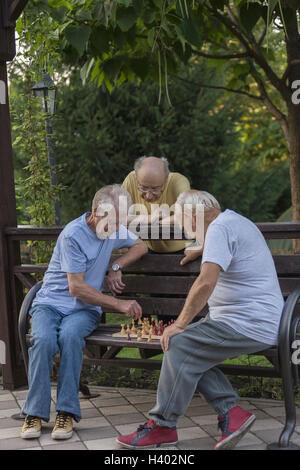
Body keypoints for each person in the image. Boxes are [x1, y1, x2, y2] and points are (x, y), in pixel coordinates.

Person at [117, 190, 284, 450]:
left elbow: (205, 282)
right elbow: (227, 248)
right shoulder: (233, 222)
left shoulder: (218, 229)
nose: (186, 230)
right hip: (256, 319)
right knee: (188, 354)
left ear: (193, 216)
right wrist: (203, 249)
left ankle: (162, 426)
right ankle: (232, 413)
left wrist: (179, 323)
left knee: (179, 343)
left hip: (250, 323)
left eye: (184, 222)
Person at [20, 185, 148, 441]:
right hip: (50, 303)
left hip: (84, 310)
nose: (117, 227)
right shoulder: (73, 235)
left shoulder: (113, 226)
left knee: (70, 338)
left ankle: (66, 413)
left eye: (121, 221)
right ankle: (34, 413)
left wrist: (116, 265)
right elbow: (76, 287)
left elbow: (141, 246)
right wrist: (119, 304)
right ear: (95, 212)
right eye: (112, 221)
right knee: (43, 341)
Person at [122, 156, 202, 265]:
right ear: (136, 177)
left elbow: (189, 216)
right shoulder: (130, 179)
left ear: (166, 178)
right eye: (143, 188)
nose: (149, 196)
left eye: (155, 189)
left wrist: (163, 220)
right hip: (148, 250)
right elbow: (117, 217)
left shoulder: (179, 181)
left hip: (182, 251)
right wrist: (150, 218)